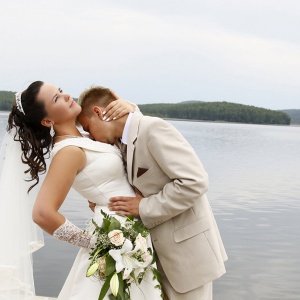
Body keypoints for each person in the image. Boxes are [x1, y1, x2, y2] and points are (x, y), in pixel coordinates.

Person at [1, 81, 162, 300]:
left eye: (60, 90)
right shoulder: (68, 152)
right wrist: (96, 242)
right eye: (56, 98)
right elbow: (42, 213)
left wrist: (129, 108)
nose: (66, 95)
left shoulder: (86, 138)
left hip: (134, 232)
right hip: (115, 240)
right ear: (47, 120)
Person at [77, 86, 228, 300]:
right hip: (152, 256)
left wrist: (142, 207)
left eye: (88, 128)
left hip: (187, 255)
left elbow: (194, 182)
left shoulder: (153, 128)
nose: (91, 136)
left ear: (99, 113)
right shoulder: (120, 140)